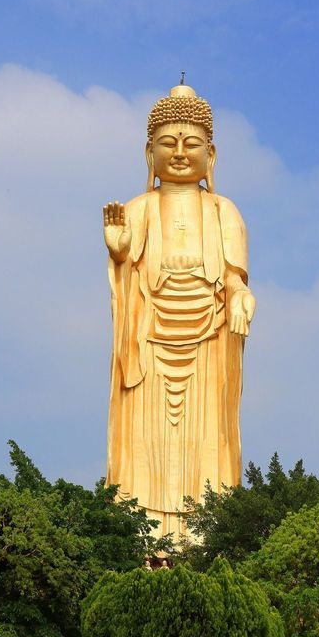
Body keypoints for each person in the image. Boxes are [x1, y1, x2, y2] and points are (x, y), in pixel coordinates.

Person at [104, 83, 256, 538]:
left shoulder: (224, 210)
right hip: (151, 339)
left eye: (192, 144)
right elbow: (127, 268)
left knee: (206, 444)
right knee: (145, 445)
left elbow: (233, 278)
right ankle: (140, 536)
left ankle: (207, 536)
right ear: (148, 152)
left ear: (212, 154)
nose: (179, 154)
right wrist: (119, 253)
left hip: (207, 343)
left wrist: (241, 297)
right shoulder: (138, 208)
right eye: (167, 144)